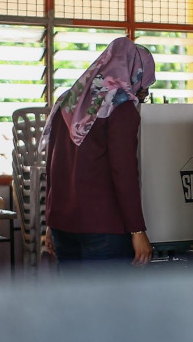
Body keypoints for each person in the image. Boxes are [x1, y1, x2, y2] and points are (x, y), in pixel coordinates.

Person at [41, 37, 155, 268]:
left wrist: (50, 223)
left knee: (76, 302)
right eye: (145, 87)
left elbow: (52, 165)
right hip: (105, 228)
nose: (143, 93)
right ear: (137, 73)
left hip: (63, 225)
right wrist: (137, 230)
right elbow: (123, 171)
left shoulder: (68, 100)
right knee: (106, 304)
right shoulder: (120, 105)